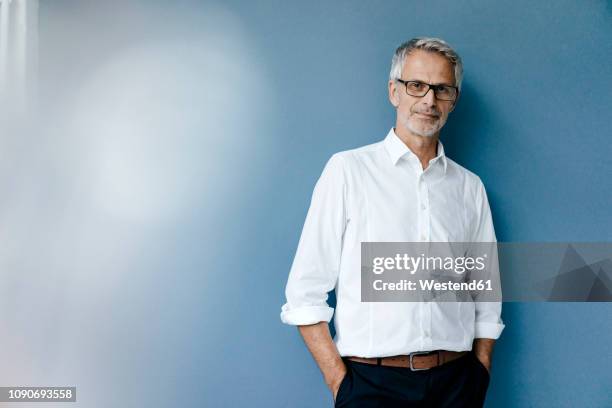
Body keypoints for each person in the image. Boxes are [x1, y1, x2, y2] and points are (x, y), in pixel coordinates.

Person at [280, 37, 504, 407]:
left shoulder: (469, 187)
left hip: (457, 384)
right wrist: (340, 383)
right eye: (416, 85)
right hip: (371, 385)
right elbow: (304, 293)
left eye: (442, 89)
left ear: (453, 100)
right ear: (393, 92)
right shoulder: (347, 171)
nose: (429, 100)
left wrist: (479, 371)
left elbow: (486, 290)